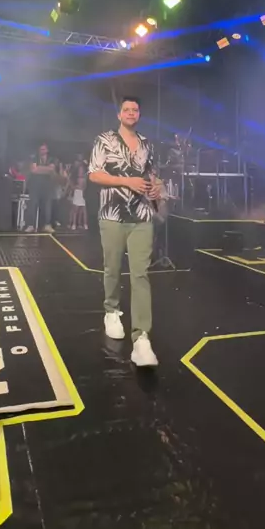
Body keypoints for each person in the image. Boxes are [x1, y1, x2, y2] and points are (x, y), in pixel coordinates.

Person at [89, 96, 162, 367]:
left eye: (135, 109)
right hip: (112, 215)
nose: (131, 113)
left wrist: (157, 187)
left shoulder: (146, 143)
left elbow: (152, 175)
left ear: (139, 115)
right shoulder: (104, 140)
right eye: (127, 109)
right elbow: (94, 174)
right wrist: (126, 181)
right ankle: (111, 310)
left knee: (141, 274)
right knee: (112, 268)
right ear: (119, 115)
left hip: (142, 216)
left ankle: (141, 338)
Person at [25, 144, 56, 233]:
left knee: (47, 206)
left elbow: (51, 169)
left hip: (47, 185)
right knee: (32, 205)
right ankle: (31, 225)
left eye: (44, 149)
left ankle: (47, 225)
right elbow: (33, 170)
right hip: (35, 185)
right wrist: (46, 169)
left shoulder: (52, 159)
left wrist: (39, 168)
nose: (42, 151)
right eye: (41, 149)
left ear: (47, 150)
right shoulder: (34, 158)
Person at [69, 160, 88, 230]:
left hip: (83, 193)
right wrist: (75, 187)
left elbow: (85, 186)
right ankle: (73, 224)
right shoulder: (75, 178)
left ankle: (84, 224)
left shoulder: (85, 178)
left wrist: (82, 188)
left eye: (82, 170)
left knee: (83, 210)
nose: (81, 171)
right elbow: (71, 185)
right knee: (75, 210)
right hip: (77, 193)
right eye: (79, 169)